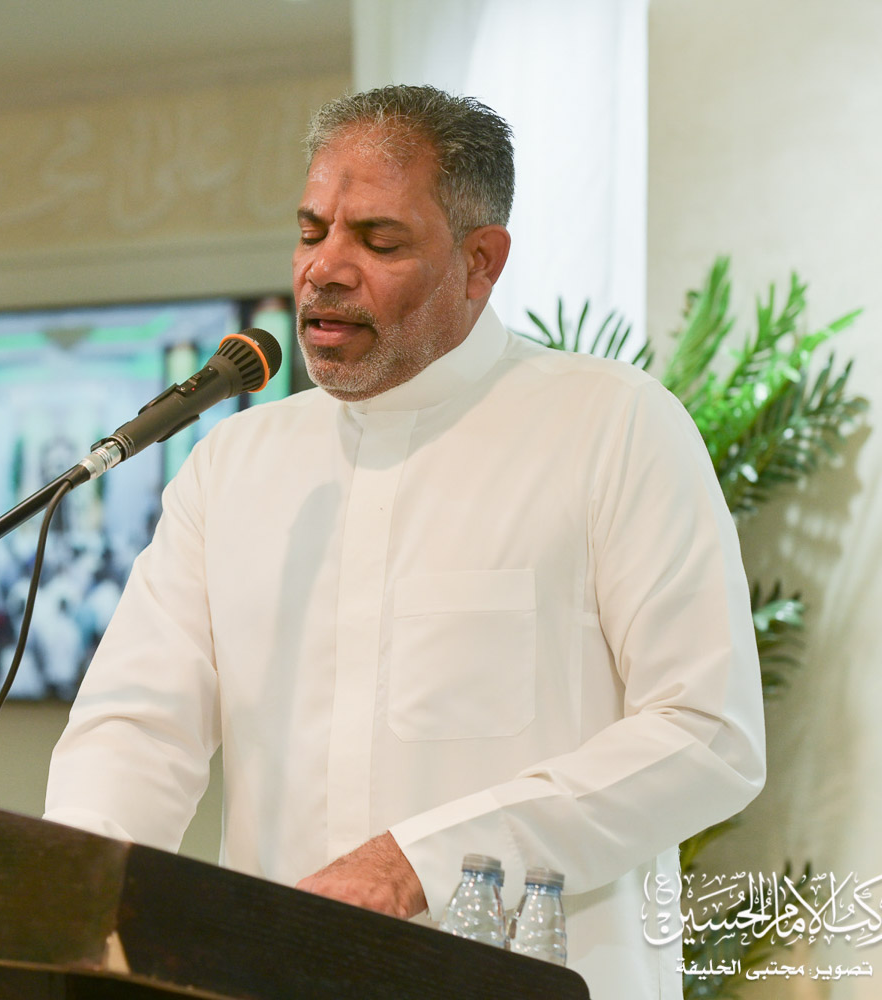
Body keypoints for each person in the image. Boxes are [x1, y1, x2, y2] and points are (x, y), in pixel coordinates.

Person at [44, 85, 765, 1000]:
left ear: (480, 261)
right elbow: (138, 726)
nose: (324, 269)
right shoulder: (235, 462)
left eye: (378, 242)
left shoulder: (611, 426)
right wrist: (73, 904)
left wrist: (420, 862)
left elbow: (707, 736)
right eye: (311, 232)